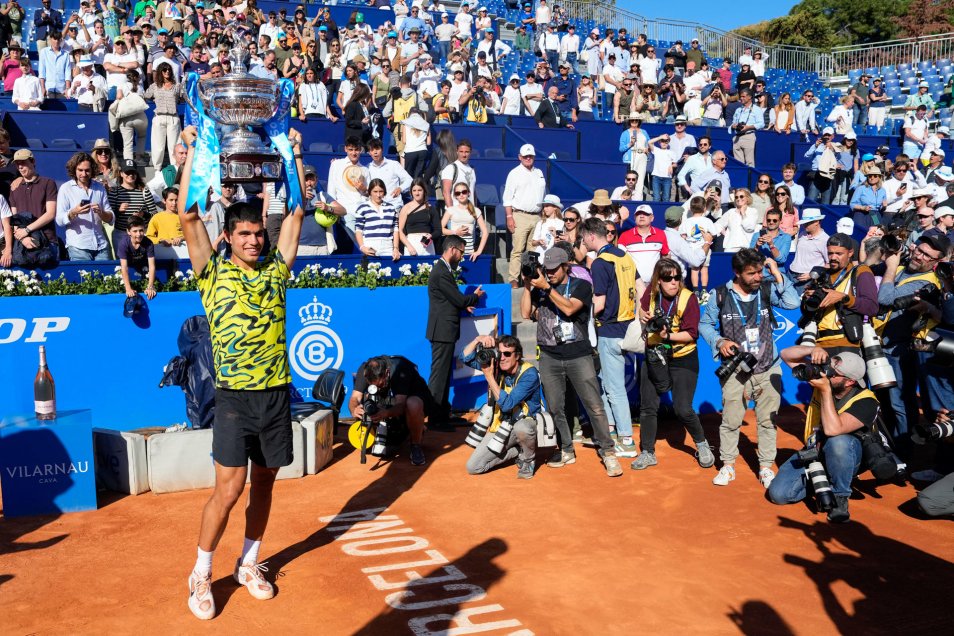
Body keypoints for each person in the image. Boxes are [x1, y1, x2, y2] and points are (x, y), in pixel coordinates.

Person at [177, 124, 306, 621]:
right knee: (228, 489)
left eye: (258, 233)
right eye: (244, 234)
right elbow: (188, 213)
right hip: (234, 397)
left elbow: (295, 211)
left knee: (267, 482)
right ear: (227, 236)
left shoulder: (278, 269)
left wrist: (290, 151)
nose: (253, 240)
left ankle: (248, 562)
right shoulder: (211, 271)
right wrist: (197, 151)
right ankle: (201, 572)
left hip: (276, 395)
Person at [699, 248, 800, 488]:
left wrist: (776, 274)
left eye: (760, 272)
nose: (758, 277)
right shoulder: (720, 295)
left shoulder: (766, 288)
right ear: (737, 273)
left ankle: (765, 467)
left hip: (768, 366)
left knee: (767, 421)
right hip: (735, 370)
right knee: (731, 420)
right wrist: (719, 341)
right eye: (752, 273)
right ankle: (728, 465)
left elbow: (792, 301)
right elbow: (706, 324)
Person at [521, 246, 623, 477]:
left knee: (594, 405)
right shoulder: (541, 286)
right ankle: (566, 448)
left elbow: (569, 309)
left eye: (554, 269)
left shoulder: (581, 286)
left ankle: (608, 453)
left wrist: (547, 288)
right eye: (546, 270)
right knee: (556, 407)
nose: (550, 274)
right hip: (549, 356)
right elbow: (527, 314)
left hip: (579, 355)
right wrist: (528, 287)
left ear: (566, 266)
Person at [770, 348, 877, 522]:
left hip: (848, 454)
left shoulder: (867, 401)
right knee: (779, 494)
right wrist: (813, 349)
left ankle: (840, 496)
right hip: (816, 450)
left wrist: (825, 391)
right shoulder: (824, 380)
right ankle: (825, 478)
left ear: (849, 382)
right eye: (830, 367)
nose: (827, 374)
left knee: (838, 442)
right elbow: (785, 355)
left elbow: (833, 430)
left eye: (834, 373)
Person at [631, 257, 714, 471]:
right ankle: (647, 452)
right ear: (659, 280)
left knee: (682, 408)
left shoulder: (688, 298)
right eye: (668, 278)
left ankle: (702, 445)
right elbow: (640, 310)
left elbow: (692, 335)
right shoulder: (650, 293)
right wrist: (642, 314)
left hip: (682, 356)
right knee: (648, 407)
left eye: (678, 277)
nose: (674, 282)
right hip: (655, 355)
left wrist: (667, 336)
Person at [874, 234, 950, 453]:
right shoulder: (901, 267)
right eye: (919, 249)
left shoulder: (927, 282)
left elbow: (885, 299)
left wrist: (891, 266)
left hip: (901, 350)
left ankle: (903, 450)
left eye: (927, 255)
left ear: (936, 263)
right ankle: (886, 445)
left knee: (899, 403)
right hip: (881, 345)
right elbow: (866, 269)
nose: (918, 255)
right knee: (883, 401)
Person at [581, 217, 638, 457]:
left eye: (584, 238)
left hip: (609, 330)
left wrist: (585, 308)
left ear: (592, 236)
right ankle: (611, 432)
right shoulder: (624, 256)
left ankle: (627, 440)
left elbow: (600, 303)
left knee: (614, 389)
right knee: (606, 383)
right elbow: (640, 285)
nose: (583, 242)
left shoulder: (600, 262)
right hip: (627, 328)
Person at [461, 334, 542, 479]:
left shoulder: (529, 374)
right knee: (473, 467)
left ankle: (528, 459)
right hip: (503, 425)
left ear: (517, 356)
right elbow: (465, 358)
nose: (502, 357)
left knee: (522, 428)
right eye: (500, 353)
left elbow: (508, 404)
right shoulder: (497, 367)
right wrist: (476, 340)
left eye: (507, 354)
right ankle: (518, 450)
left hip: (526, 422)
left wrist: (489, 377)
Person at [426, 234, 485, 428]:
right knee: (439, 375)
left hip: (444, 330)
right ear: (453, 249)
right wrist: (473, 298)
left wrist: (462, 305)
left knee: (443, 374)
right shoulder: (442, 271)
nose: (462, 257)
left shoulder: (443, 270)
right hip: (442, 330)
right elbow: (459, 299)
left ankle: (442, 413)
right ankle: (436, 419)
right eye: (461, 252)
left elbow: (451, 300)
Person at [349, 354, 434, 466]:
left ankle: (416, 446)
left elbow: (400, 405)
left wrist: (386, 413)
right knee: (368, 400)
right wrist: (354, 409)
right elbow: (354, 398)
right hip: (391, 401)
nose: (377, 388)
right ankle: (403, 430)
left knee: (412, 404)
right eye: (373, 386)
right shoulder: (365, 370)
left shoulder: (400, 369)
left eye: (380, 385)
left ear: (387, 373)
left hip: (416, 399)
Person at [56, 151, 114, 260]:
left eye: (87, 170)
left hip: (101, 245)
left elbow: (111, 218)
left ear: (92, 170)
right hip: (78, 247)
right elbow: (59, 220)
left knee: (106, 277)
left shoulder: (99, 188)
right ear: (74, 170)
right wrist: (74, 212)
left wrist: (102, 213)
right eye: (80, 170)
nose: (84, 174)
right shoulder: (66, 188)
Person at [503, 143, 547, 287]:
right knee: (518, 249)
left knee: (533, 250)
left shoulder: (539, 172)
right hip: (520, 215)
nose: (528, 158)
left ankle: (529, 276)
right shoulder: (514, 173)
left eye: (531, 156)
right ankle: (513, 278)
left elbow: (543, 195)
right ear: (520, 157)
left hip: (537, 215)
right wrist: (509, 217)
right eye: (525, 156)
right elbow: (507, 198)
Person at [7, 149, 58, 253]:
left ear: (33, 162)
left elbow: (51, 214)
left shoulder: (48, 183)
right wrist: (22, 238)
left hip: (47, 241)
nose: (20, 167)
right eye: (17, 164)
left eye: (23, 163)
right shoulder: (14, 188)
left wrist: (26, 230)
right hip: (23, 244)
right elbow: (14, 219)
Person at [108, 158, 157, 248]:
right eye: (127, 172)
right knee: (122, 261)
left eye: (133, 173)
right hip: (121, 234)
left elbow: (155, 214)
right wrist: (118, 211)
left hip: (140, 234)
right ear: (121, 173)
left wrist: (143, 214)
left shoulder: (144, 191)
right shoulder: (115, 192)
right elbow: (109, 218)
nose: (130, 175)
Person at [144, 65, 184, 171]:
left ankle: (175, 169)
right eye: (164, 70)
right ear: (160, 72)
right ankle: (157, 169)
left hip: (173, 117)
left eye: (169, 69)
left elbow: (184, 97)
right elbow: (145, 95)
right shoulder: (154, 86)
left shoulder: (177, 86)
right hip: (159, 116)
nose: (167, 71)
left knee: (174, 146)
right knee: (158, 146)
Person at [618, 204, 669, 283]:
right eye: (638, 214)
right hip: (632, 283)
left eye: (645, 214)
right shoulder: (624, 236)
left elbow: (666, 257)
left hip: (655, 283)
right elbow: (620, 261)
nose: (641, 216)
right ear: (635, 218)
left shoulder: (661, 234)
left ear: (652, 218)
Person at [354, 178, 400, 260]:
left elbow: (395, 229)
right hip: (370, 245)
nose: (378, 195)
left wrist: (396, 248)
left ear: (384, 192)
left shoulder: (391, 208)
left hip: (388, 247)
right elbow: (358, 230)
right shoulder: (362, 208)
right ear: (370, 192)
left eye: (381, 191)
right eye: (375, 191)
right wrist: (362, 247)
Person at [117, 215, 156, 301]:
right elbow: (124, 267)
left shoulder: (148, 243)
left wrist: (150, 286)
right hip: (130, 269)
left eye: (141, 230)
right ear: (128, 232)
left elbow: (152, 266)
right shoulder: (123, 244)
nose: (138, 234)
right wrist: (128, 288)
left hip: (144, 269)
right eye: (135, 231)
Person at [788, 208, 830, 289]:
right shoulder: (802, 234)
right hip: (791, 274)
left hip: (807, 280)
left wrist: (811, 275)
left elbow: (828, 264)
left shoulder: (825, 240)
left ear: (817, 222)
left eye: (807, 223)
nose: (804, 225)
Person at [730, 88, 762, 167]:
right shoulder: (738, 110)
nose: (741, 98)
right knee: (738, 164)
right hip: (737, 137)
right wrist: (733, 126)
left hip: (748, 136)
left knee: (749, 163)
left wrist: (748, 127)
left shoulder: (757, 109)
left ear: (750, 97)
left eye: (743, 96)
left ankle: (749, 179)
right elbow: (733, 123)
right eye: (741, 96)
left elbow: (761, 124)